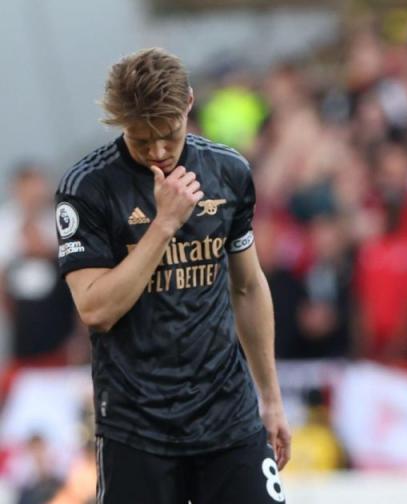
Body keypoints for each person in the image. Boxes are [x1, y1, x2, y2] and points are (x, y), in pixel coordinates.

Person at [54, 48, 290, 504]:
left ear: (188, 106)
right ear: (121, 124)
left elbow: (247, 285)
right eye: (142, 141)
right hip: (135, 426)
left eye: (169, 135)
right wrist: (164, 224)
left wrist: (271, 397)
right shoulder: (88, 187)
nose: (158, 152)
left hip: (228, 414)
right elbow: (96, 309)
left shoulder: (229, 172)